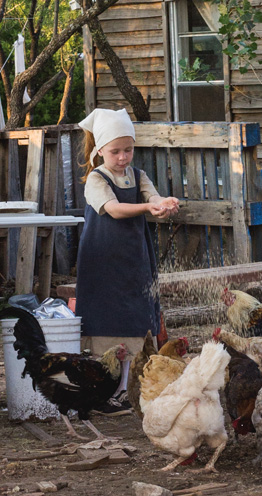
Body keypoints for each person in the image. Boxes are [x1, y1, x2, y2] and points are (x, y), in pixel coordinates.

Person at [75, 108, 179, 415]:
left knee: (136, 313)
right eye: (116, 151)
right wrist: (148, 207)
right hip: (103, 259)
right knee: (108, 316)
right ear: (100, 150)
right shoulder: (96, 179)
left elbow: (153, 197)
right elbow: (115, 209)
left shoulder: (138, 175)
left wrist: (164, 204)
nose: (123, 157)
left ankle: (126, 390)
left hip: (134, 256)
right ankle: (105, 391)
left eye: (128, 150)